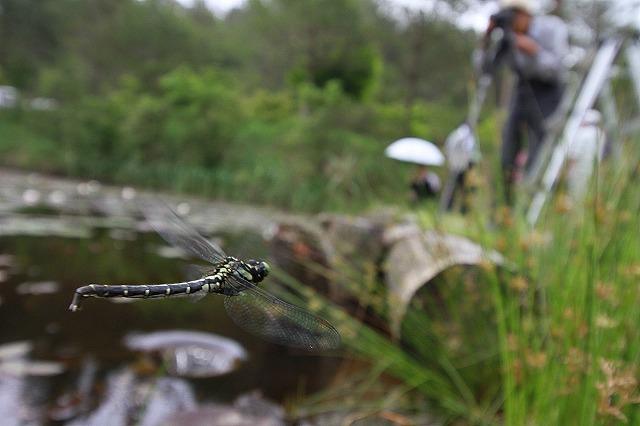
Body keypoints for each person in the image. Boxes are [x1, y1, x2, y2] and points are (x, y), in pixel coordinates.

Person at [480, 0, 569, 204]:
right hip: (521, 89)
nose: (510, 20)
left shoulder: (552, 28)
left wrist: (534, 51)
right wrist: (486, 41)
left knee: (541, 152)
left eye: (513, 14)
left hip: (548, 93)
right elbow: (485, 70)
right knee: (507, 151)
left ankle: (533, 206)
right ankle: (503, 208)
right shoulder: (507, 37)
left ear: (526, 14)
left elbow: (557, 68)